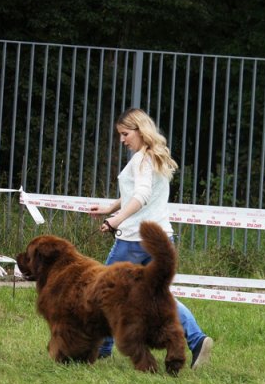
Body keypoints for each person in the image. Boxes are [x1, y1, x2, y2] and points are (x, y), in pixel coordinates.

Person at [89, 107, 213, 369]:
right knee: (159, 297)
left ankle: (102, 349)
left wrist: (116, 220)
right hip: (160, 239)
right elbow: (135, 193)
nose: (122, 140)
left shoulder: (142, 159)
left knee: (104, 290)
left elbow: (142, 195)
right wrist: (110, 208)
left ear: (139, 129)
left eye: (125, 134)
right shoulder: (153, 157)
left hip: (135, 240)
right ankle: (197, 339)